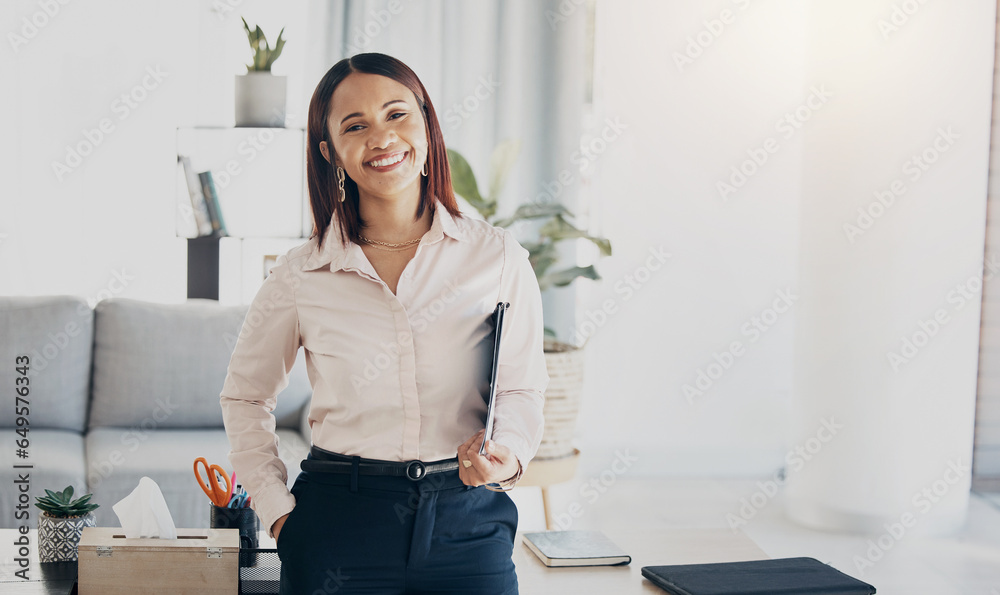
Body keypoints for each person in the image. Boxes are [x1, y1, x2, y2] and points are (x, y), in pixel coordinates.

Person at [219, 52, 548, 594]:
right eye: (356, 126)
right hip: (336, 526)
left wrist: (505, 454)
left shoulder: (496, 257)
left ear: (425, 124)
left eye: (397, 115)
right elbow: (245, 397)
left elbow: (521, 387)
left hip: (467, 523)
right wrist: (279, 514)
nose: (382, 138)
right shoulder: (302, 274)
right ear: (331, 153)